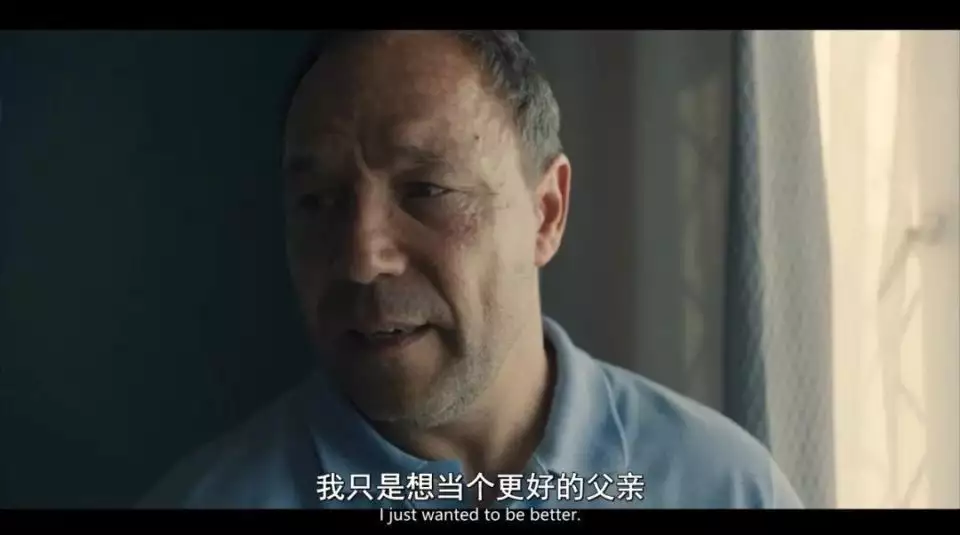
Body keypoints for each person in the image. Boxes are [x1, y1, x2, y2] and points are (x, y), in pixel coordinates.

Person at [139, 30, 803, 509]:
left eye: (427, 190)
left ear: (545, 214)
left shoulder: (724, 485)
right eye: (318, 201)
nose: (362, 258)